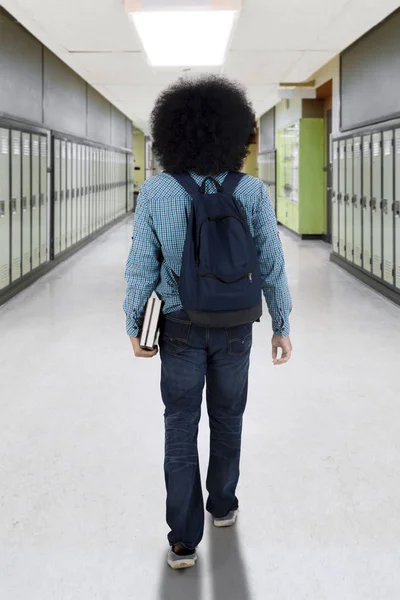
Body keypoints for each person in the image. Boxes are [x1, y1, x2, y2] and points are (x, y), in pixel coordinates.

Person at [123, 76, 292, 570]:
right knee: (228, 416)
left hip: (178, 324)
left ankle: (182, 540)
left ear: (171, 132)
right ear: (236, 134)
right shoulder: (253, 192)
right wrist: (281, 324)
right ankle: (222, 505)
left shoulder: (157, 191)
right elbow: (272, 263)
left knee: (180, 425)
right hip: (237, 324)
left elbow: (140, 264)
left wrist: (135, 324)